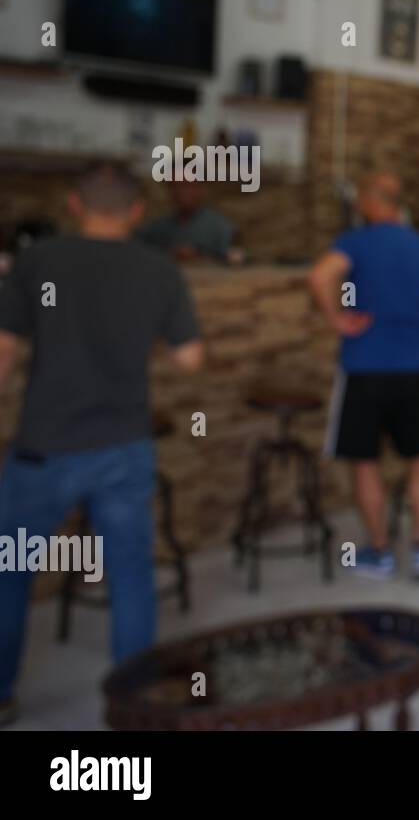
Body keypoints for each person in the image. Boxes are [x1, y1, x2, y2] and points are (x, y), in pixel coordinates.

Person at [0, 165, 204, 727]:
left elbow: (3, 355)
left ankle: (2, 696)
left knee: (10, 571)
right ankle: (134, 706)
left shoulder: (38, 262)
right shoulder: (158, 270)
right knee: (131, 576)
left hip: (43, 447)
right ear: (138, 210)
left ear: (73, 204)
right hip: (124, 446)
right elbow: (190, 359)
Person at [309, 172, 419, 581]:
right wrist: (414, 324)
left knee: (365, 462)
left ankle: (379, 552)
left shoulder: (354, 242)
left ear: (369, 201)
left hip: (365, 369)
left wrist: (337, 318)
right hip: (415, 371)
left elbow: (319, 276)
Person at [136, 178, 239, 263]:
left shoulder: (221, 229)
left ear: (201, 188)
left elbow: (235, 262)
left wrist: (199, 257)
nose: (180, 192)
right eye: (174, 186)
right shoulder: (156, 229)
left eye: (186, 185)